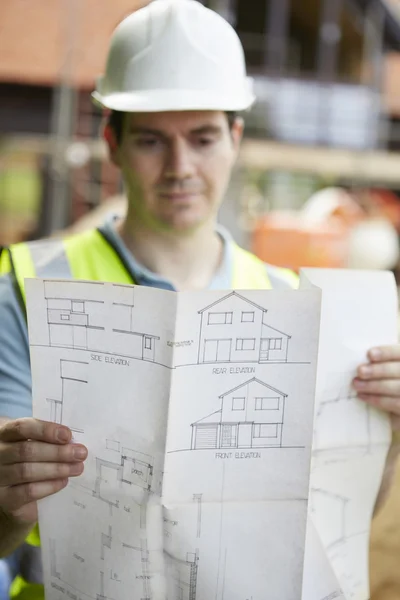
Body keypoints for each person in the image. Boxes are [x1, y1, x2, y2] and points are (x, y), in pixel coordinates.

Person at [0, 0, 399, 598]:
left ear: (235, 139)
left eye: (204, 137)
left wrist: (385, 437)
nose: (180, 168)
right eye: (153, 141)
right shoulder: (27, 286)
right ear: (112, 142)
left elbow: (326, 525)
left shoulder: (291, 304)